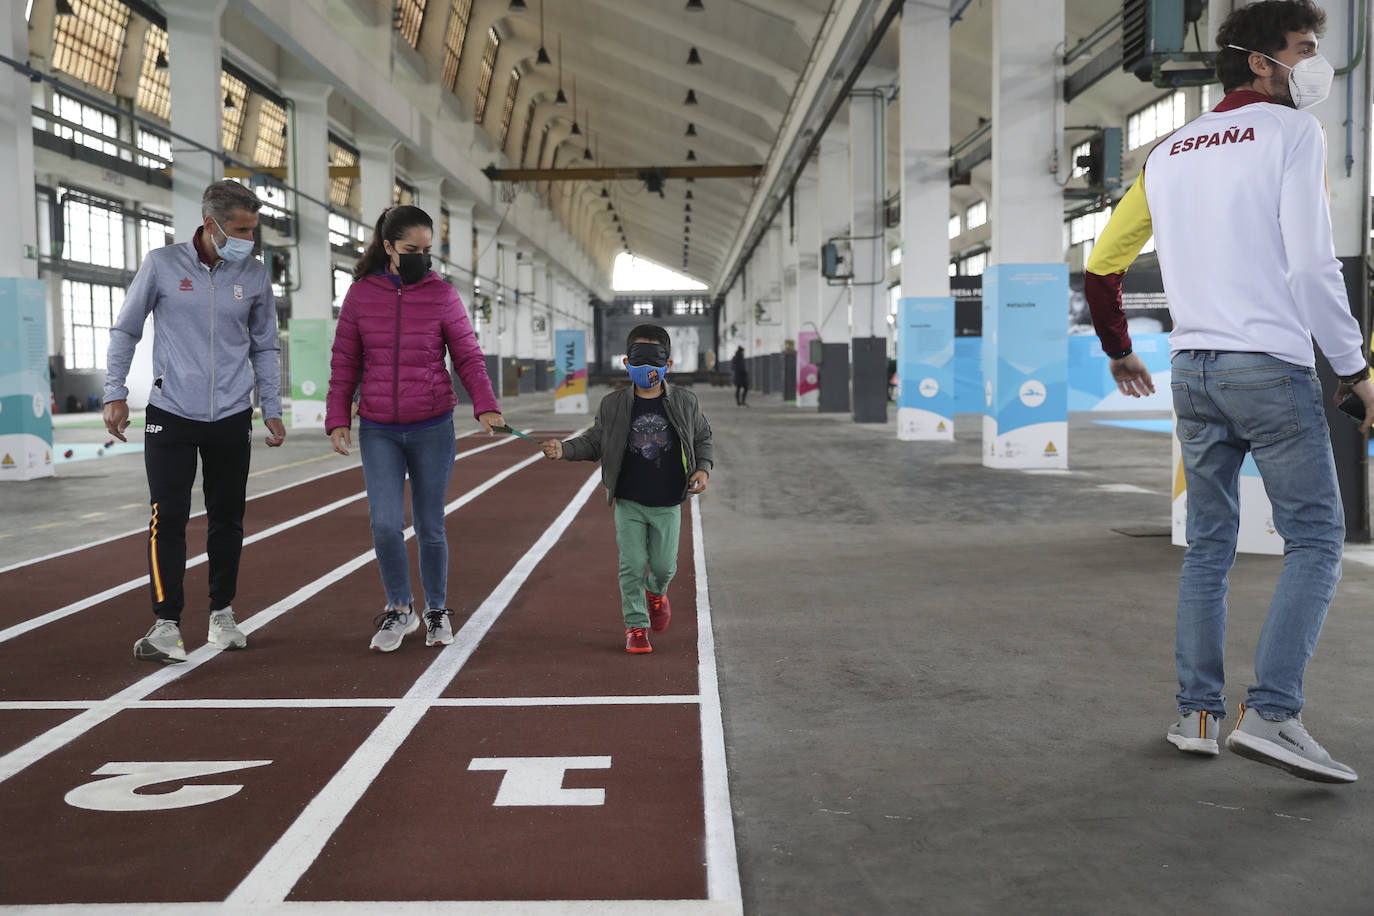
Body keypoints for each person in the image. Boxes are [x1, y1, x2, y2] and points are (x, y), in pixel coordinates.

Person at [1085, 0, 1373, 783]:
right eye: (1305, 48)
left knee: (1208, 547)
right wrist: (1354, 370)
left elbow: (1103, 266)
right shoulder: (1291, 133)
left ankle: (1197, 713)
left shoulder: (1171, 151)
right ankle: (1275, 714)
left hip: (1194, 371)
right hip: (1267, 368)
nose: (1315, 62)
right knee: (1315, 540)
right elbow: (1313, 269)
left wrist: (1118, 348)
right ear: (1260, 61)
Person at [103, 180, 286, 664]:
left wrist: (272, 407)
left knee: (228, 519)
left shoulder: (255, 273)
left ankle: (221, 614)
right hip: (171, 412)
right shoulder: (161, 265)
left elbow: (266, 344)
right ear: (211, 225)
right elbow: (126, 328)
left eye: (254, 228)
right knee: (169, 517)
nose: (251, 239)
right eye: (242, 229)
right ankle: (166, 624)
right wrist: (114, 393)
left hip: (230, 413)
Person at [326, 205, 503, 653]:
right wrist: (337, 417)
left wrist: (485, 404)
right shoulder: (361, 295)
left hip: (432, 426)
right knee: (385, 524)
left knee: (429, 524)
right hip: (379, 429)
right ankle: (399, 609)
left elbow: (467, 355)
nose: (422, 258)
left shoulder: (442, 295)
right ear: (388, 247)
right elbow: (345, 361)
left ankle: (437, 609)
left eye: (428, 250)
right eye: (412, 250)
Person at [539, 325, 713, 654]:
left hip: (668, 502)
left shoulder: (685, 402)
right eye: (639, 361)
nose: (646, 369)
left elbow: (702, 437)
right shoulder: (614, 404)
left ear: (669, 365)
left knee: (664, 567)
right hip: (629, 501)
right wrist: (565, 449)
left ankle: (656, 591)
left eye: (654, 361)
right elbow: (595, 441)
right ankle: (636, 625)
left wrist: (702, 468)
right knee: (631, 564)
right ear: (626, 363)